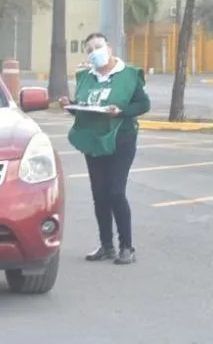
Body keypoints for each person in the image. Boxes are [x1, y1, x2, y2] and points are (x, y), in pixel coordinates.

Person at [60, 33, 150, 265]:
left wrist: (121, 112)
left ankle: (127, 247)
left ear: (109, 48)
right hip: (94, 140)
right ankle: (106, 245)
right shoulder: (85, 77)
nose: (94, 52)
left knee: (116, 192)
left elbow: (143, 104)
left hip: (121, 139)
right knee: (99, 193)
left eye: (98, 46)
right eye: (89, 49)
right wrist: (69, 106)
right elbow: (84, 107)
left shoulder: (128, 75)